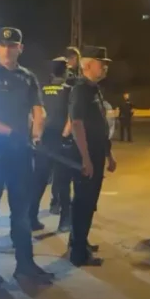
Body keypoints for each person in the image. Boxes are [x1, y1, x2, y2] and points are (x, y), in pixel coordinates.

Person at [0, 27, 53, 284]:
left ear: (20, 48)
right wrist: (10, 133)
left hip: (19, 153)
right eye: (3, 45)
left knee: (22, 212)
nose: (8, 49)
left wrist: (36, 134)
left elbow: (39, 110)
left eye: (13, 45)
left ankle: (25, 265)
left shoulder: (27, 77)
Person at [65, 46, 116, 266]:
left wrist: (109, 154)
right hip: (84, 154)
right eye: (101, 63)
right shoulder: (80, 90)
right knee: (83, 203)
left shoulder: (94, 89)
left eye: (106, 64)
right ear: (87, 65)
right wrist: (85, 158)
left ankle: (79, 241)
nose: (105, 67)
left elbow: (100, 125)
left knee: (88, 202)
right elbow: (77, 124)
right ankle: (79, 254)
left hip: (96, 153)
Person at [29, 57, 73, 233]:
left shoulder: (41, 89)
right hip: (61, 141)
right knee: (63, 182)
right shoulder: (69, 90)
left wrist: (36, 136)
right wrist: (65, 136)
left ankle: (31, 218)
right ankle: (65, 221)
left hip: (43, 140)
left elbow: (36, 115)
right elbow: (72, 117)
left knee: (39, 181)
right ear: (66, 71)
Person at [49, 46, 81, 215]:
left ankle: (57, 202)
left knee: (58, 171)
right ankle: (61, 203)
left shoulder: (48, 82)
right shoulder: (70, 83)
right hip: (65, 133)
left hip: (53, 132)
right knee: (64, 171)